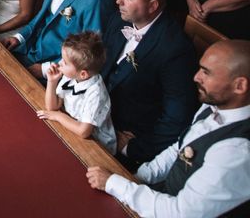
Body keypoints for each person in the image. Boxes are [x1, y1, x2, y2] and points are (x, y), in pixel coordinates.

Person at [88, 40, 250, 218]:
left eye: (206, 72)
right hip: (159, 196)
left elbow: (180, 213)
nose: (196, 77)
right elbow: (179, 149)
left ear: (239, 86)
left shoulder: (237, 151)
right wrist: (137, 177)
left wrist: (114, 183)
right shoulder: (214, 105)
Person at [102, 0, 198, 170]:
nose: (118, 0)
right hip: (95, 117)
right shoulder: (118, 19)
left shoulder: (176, 50)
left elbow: (176, 118)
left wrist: (134, 148)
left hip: (126, 140)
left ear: (152, 5)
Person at [37, 32, 116, 154]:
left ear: (83, 74)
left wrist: (58, 116)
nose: (60, 63)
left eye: (65, 62)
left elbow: (83, 131)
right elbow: (52, 107)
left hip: (96, 145)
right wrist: (52, 81)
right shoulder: (71, 76)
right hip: (70, 125)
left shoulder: (96, 93)